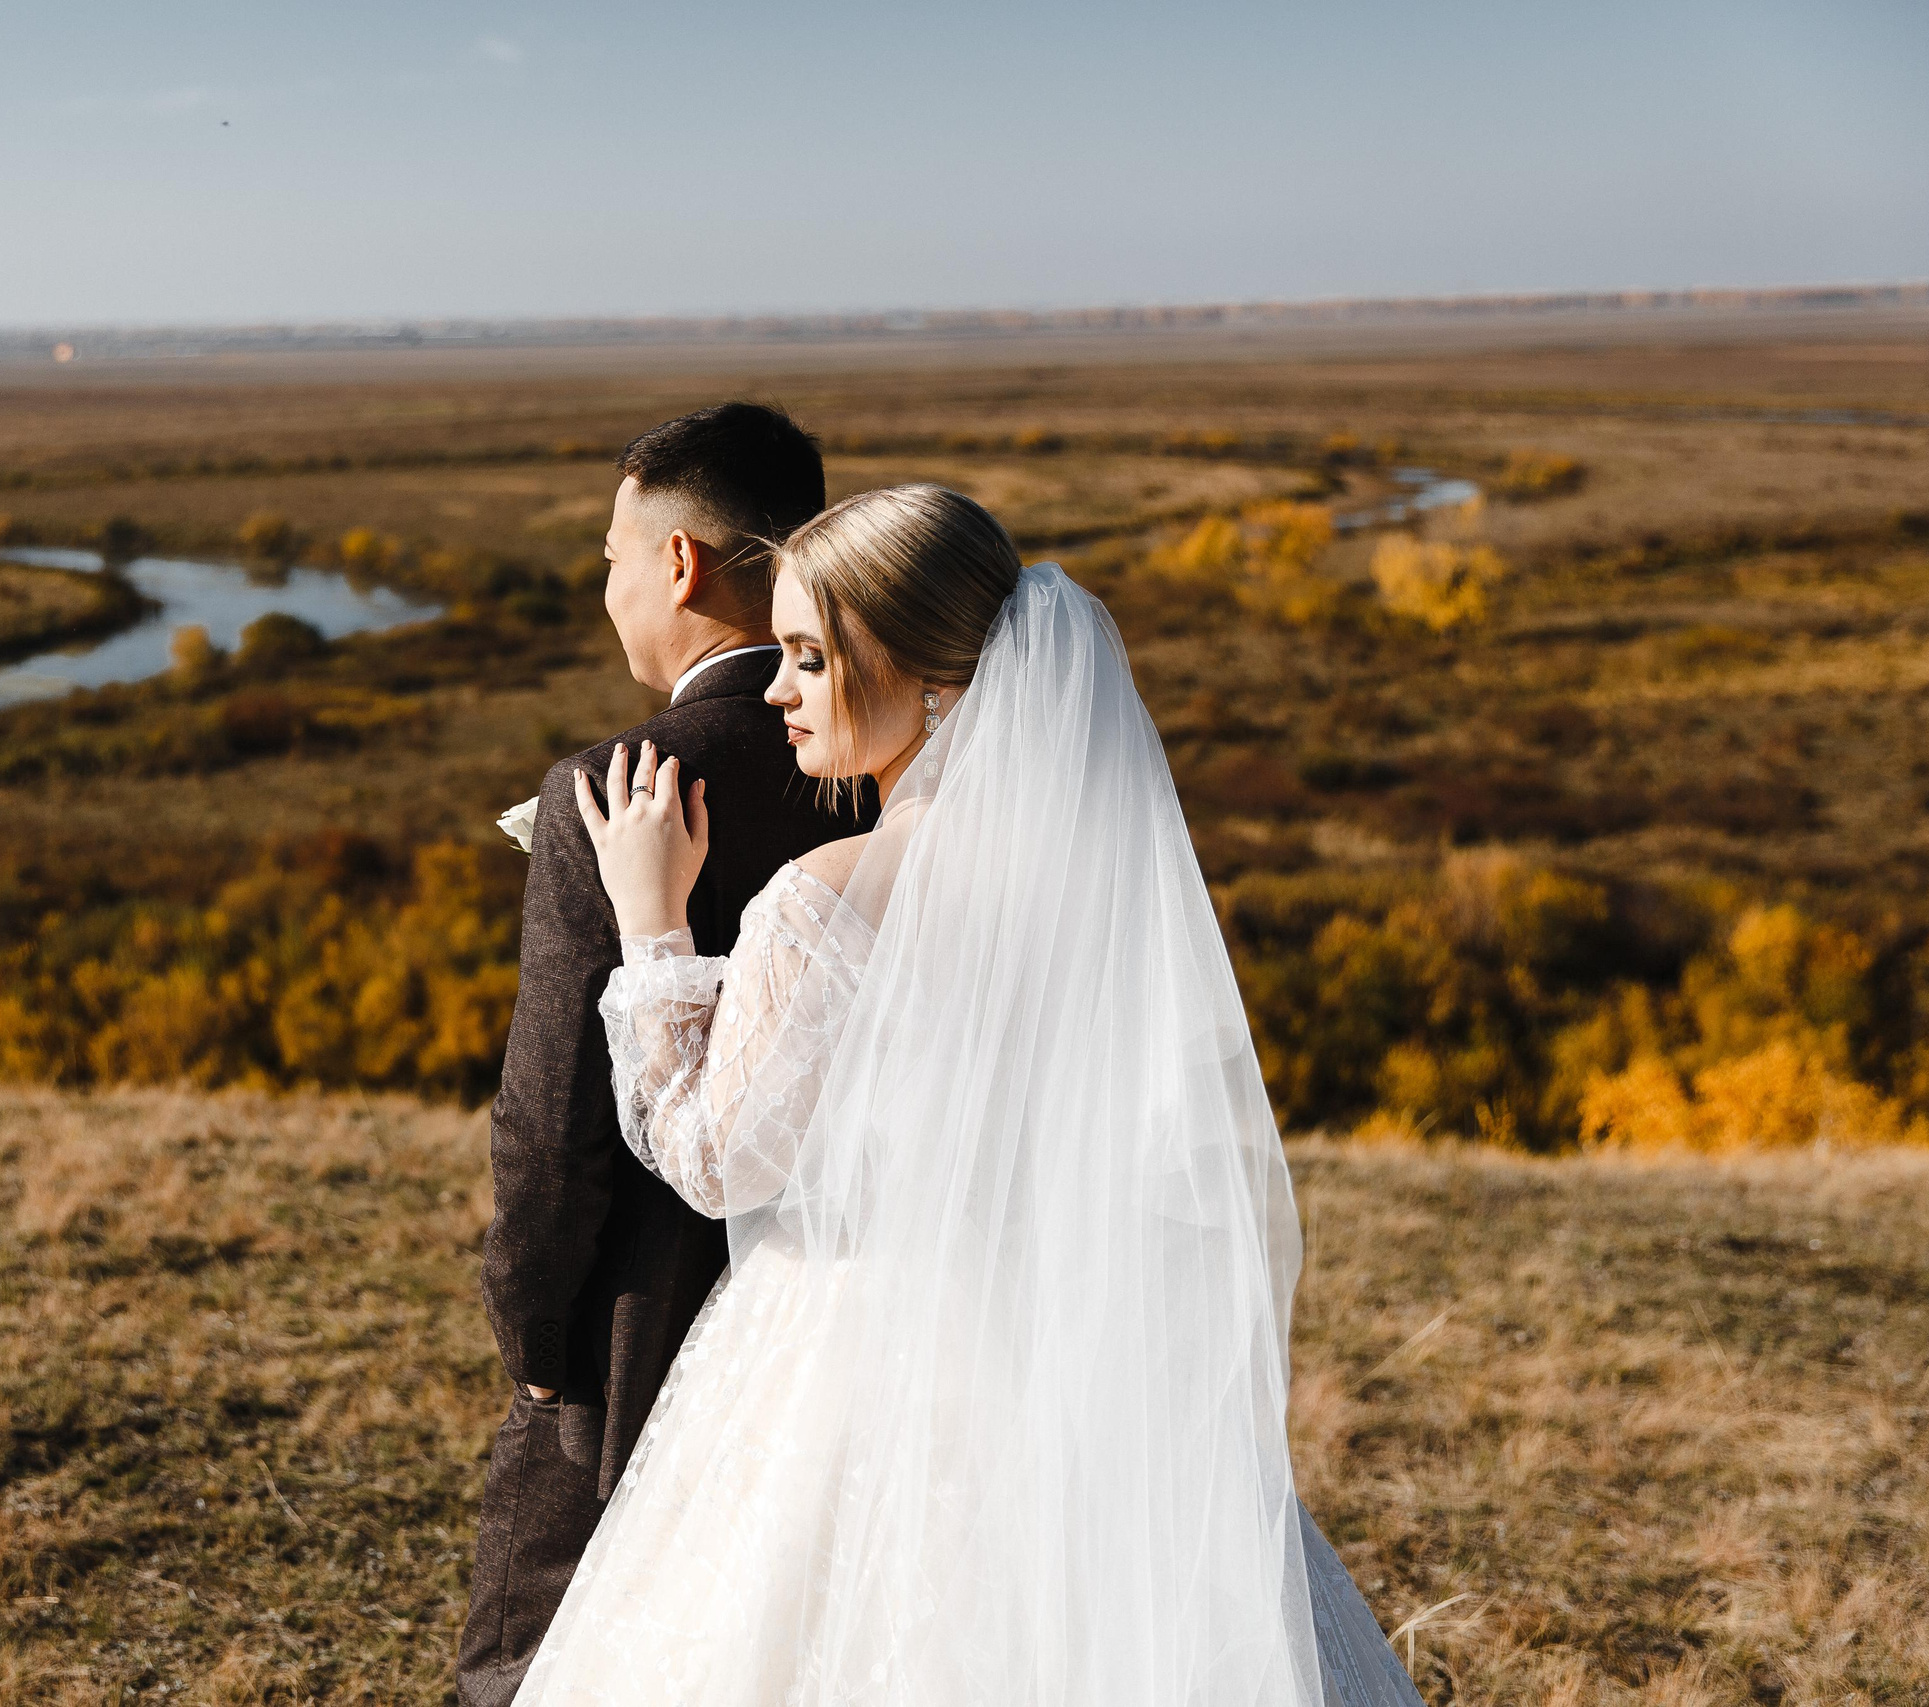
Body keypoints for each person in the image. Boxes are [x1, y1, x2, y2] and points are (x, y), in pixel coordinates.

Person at [517, 485, 1423, 1704]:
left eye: (805, 658)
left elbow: (718, 1158)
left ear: (919, 673)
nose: (777, 690)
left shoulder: (822, 900)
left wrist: (653, 927)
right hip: (1070, 1351)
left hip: (850, 1362)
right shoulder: (1098, 883)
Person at [460, 403, 877, 1707]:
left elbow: (550, 1125)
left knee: (532, 1666)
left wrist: (534, 1334)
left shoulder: (619, 786)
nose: (607, 586)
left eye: (610, 556)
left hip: (640, 1347)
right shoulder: (907, 763)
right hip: (883, 1318)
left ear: (682, 563)